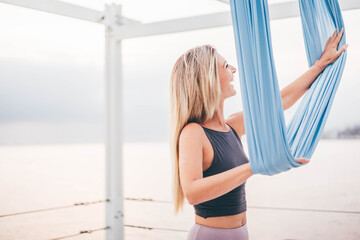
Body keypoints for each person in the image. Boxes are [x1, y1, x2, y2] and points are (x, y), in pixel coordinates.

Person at [169, 29, 347, 240]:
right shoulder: (193, 132)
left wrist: (320, 66)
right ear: (209, 79)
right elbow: (192, 192)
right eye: (226, 66)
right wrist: (253, 167)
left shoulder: (232, 125)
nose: (234, 69)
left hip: (241, 233)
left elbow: (281, 101)